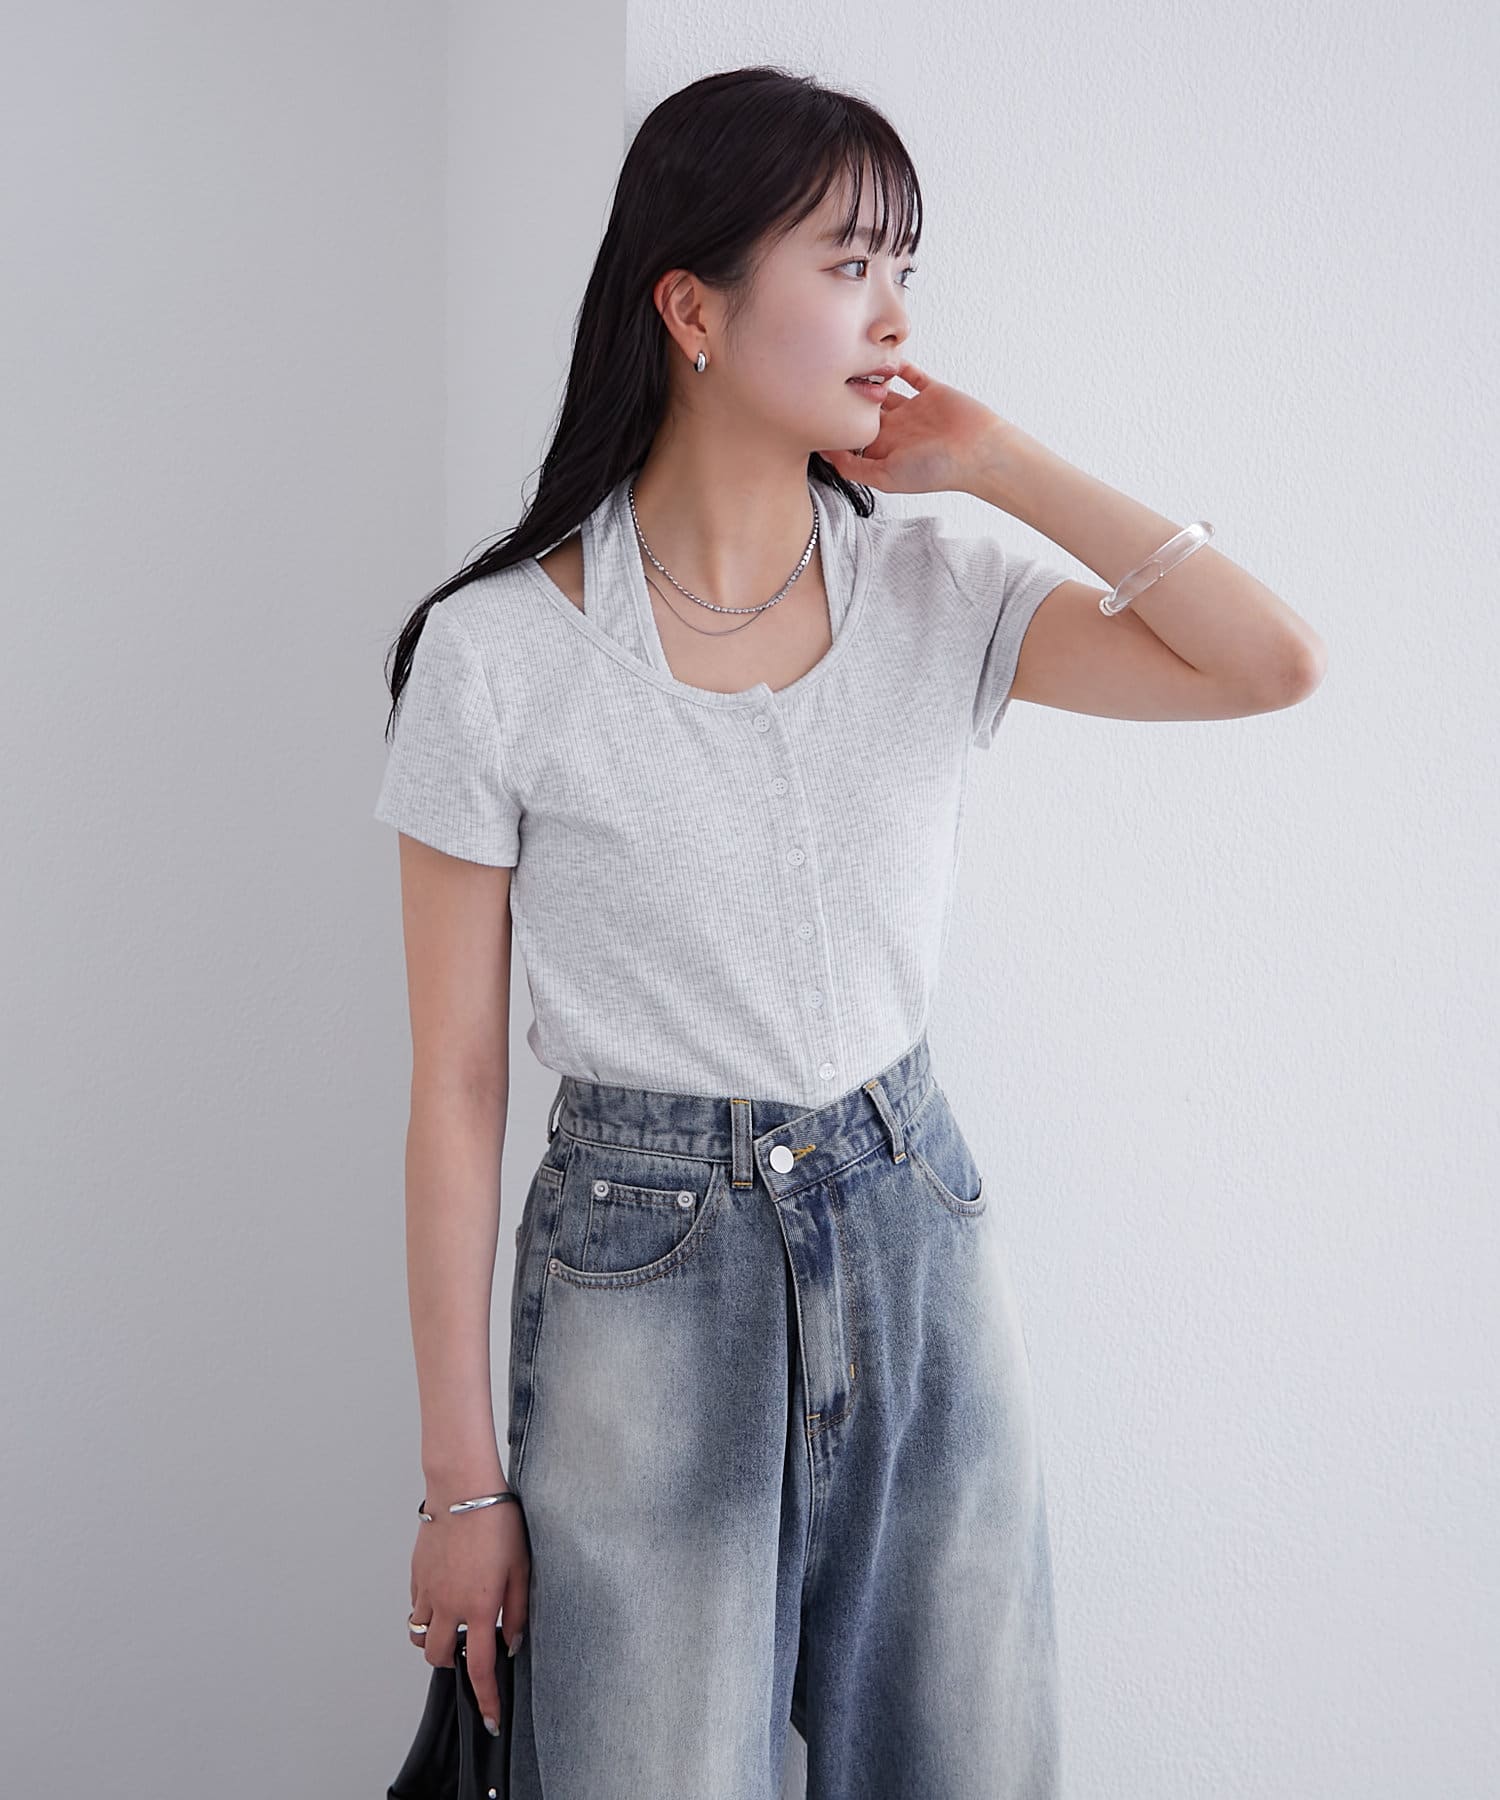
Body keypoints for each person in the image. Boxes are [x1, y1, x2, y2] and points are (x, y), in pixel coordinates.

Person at [373, 63, 1325, 1800]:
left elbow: (1269, 665)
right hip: (643, 1281)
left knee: (968, 1767)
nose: (895, 316)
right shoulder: (498, 656)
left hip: (914, 1237)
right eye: (848, 264)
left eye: (905, 268)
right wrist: (461, 1484)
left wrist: (999, 461)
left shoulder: (934, 589)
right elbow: (455, 1090)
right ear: (693, 310)